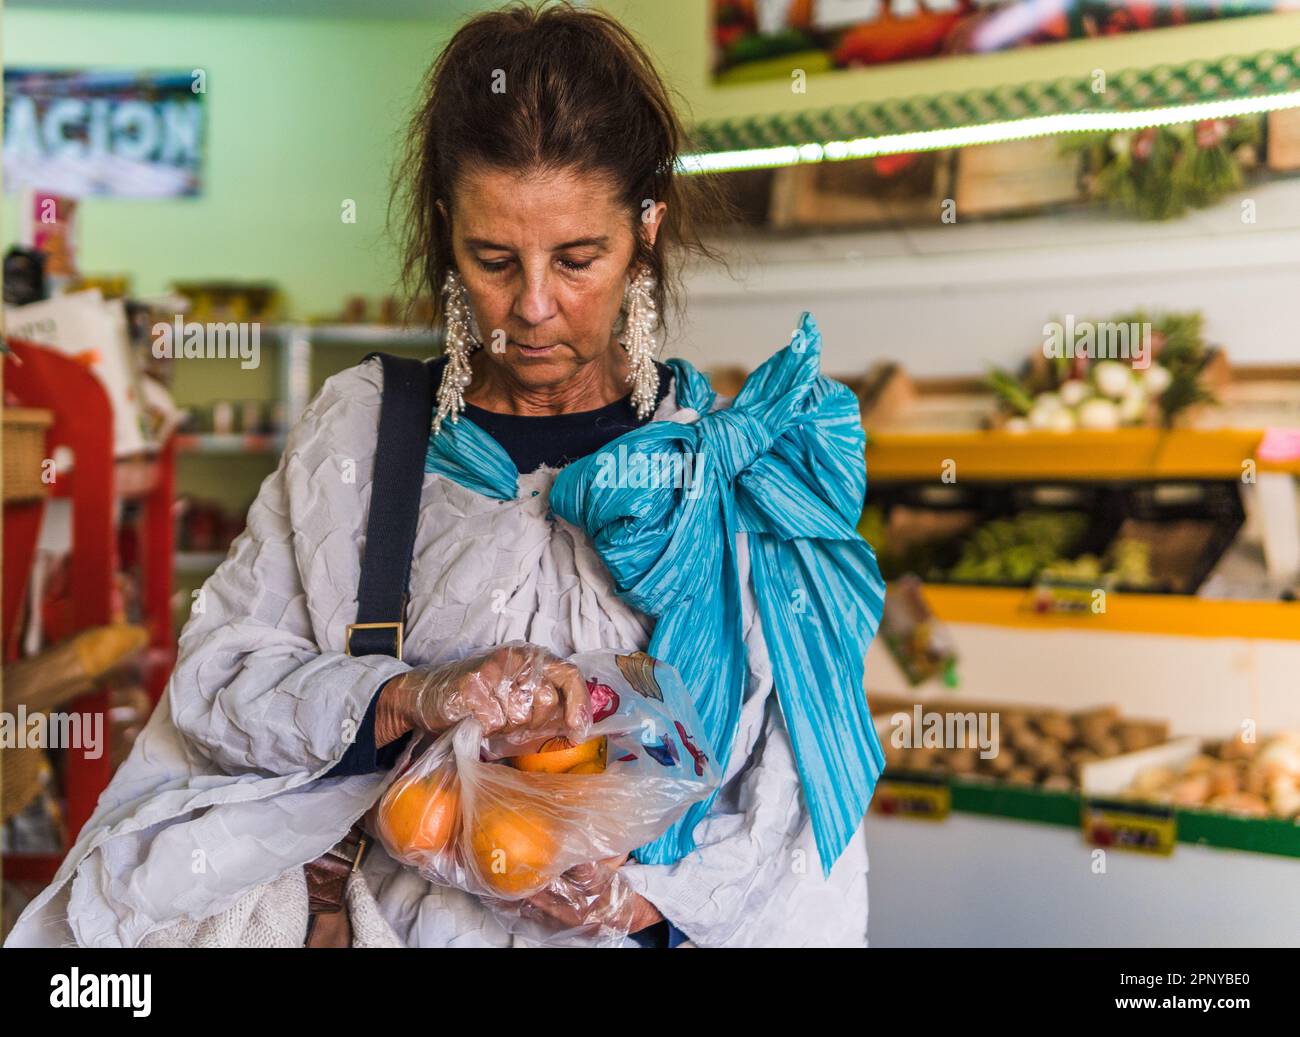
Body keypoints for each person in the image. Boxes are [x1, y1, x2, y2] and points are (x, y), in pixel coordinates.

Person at [5, 2, 886, 949]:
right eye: (493, 258)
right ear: (446, 231)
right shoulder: (366, 435)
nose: (535, 306)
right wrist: (409, 695)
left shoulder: (729, 472)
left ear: (647, 230)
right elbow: (219, 679)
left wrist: (640, 899)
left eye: (579, 258)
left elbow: (792, 797)